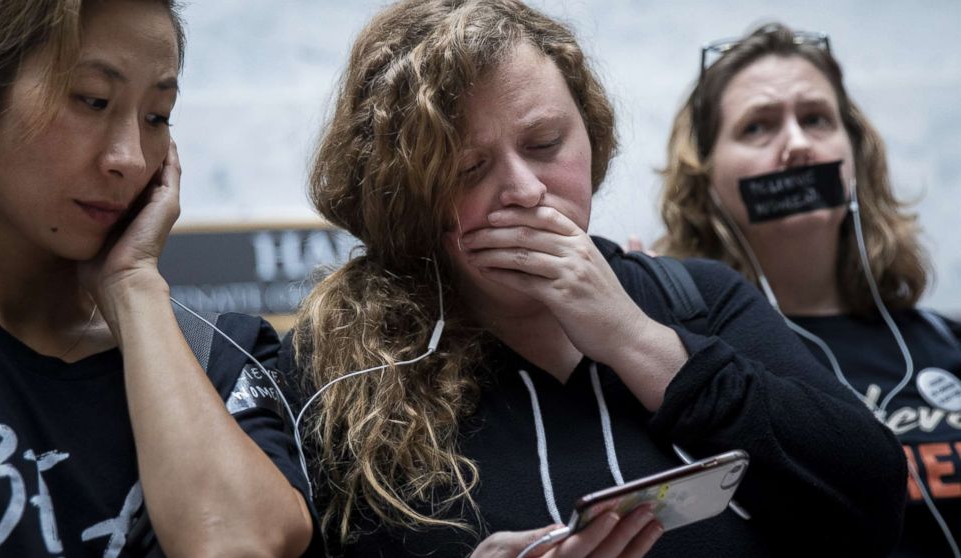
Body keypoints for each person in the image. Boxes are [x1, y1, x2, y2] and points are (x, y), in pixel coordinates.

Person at [282, 1, 907, 556]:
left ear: (591, 134)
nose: (526, 192)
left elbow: (872, 500)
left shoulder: (696, 297)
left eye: (546, 143)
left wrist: (633, 338)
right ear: (407, 202)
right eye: (470, 168)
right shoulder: (343, 362)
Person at [0, 1, 315, 555]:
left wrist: (133, 286)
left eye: (157, 116)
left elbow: (240, 542)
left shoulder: (218, 353)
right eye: (93, 100)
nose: (129, 158)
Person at [657, 22, 960, 557]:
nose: (797, 145)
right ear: (705, 180)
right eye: (757, 127)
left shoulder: (948, 344)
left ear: (854, 156)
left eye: (816, 119)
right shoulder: (681, 364)